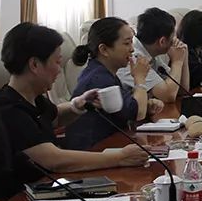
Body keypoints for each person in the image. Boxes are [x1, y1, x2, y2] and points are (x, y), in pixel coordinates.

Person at [0, 23, 147, 186]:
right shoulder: (9, 110)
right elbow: (54, 160)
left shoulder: (32, 98)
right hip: (20, 197)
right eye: (57, 62)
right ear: (34, 65)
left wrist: (78, 105)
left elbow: (55, 117)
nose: (59, 70)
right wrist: (120, 157)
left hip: (49, 186)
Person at [65, 18, 164, 151]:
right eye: (127, 43)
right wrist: (140, 79)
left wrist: (146, 106)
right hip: (93, 152)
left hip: (109, 146)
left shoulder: (103, 72)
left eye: (132, 42)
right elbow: (137, 114)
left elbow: (129, 108)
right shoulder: (98, 79)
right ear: (104, 49)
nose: (132, 49)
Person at [116, 8, 189, 102]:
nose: (175, 40)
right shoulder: (133, 57)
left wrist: (183, 55)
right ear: (162, 41)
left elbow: (182, 89)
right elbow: (169, 95)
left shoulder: (151, 53)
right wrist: (177, 62)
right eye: (173, 37)